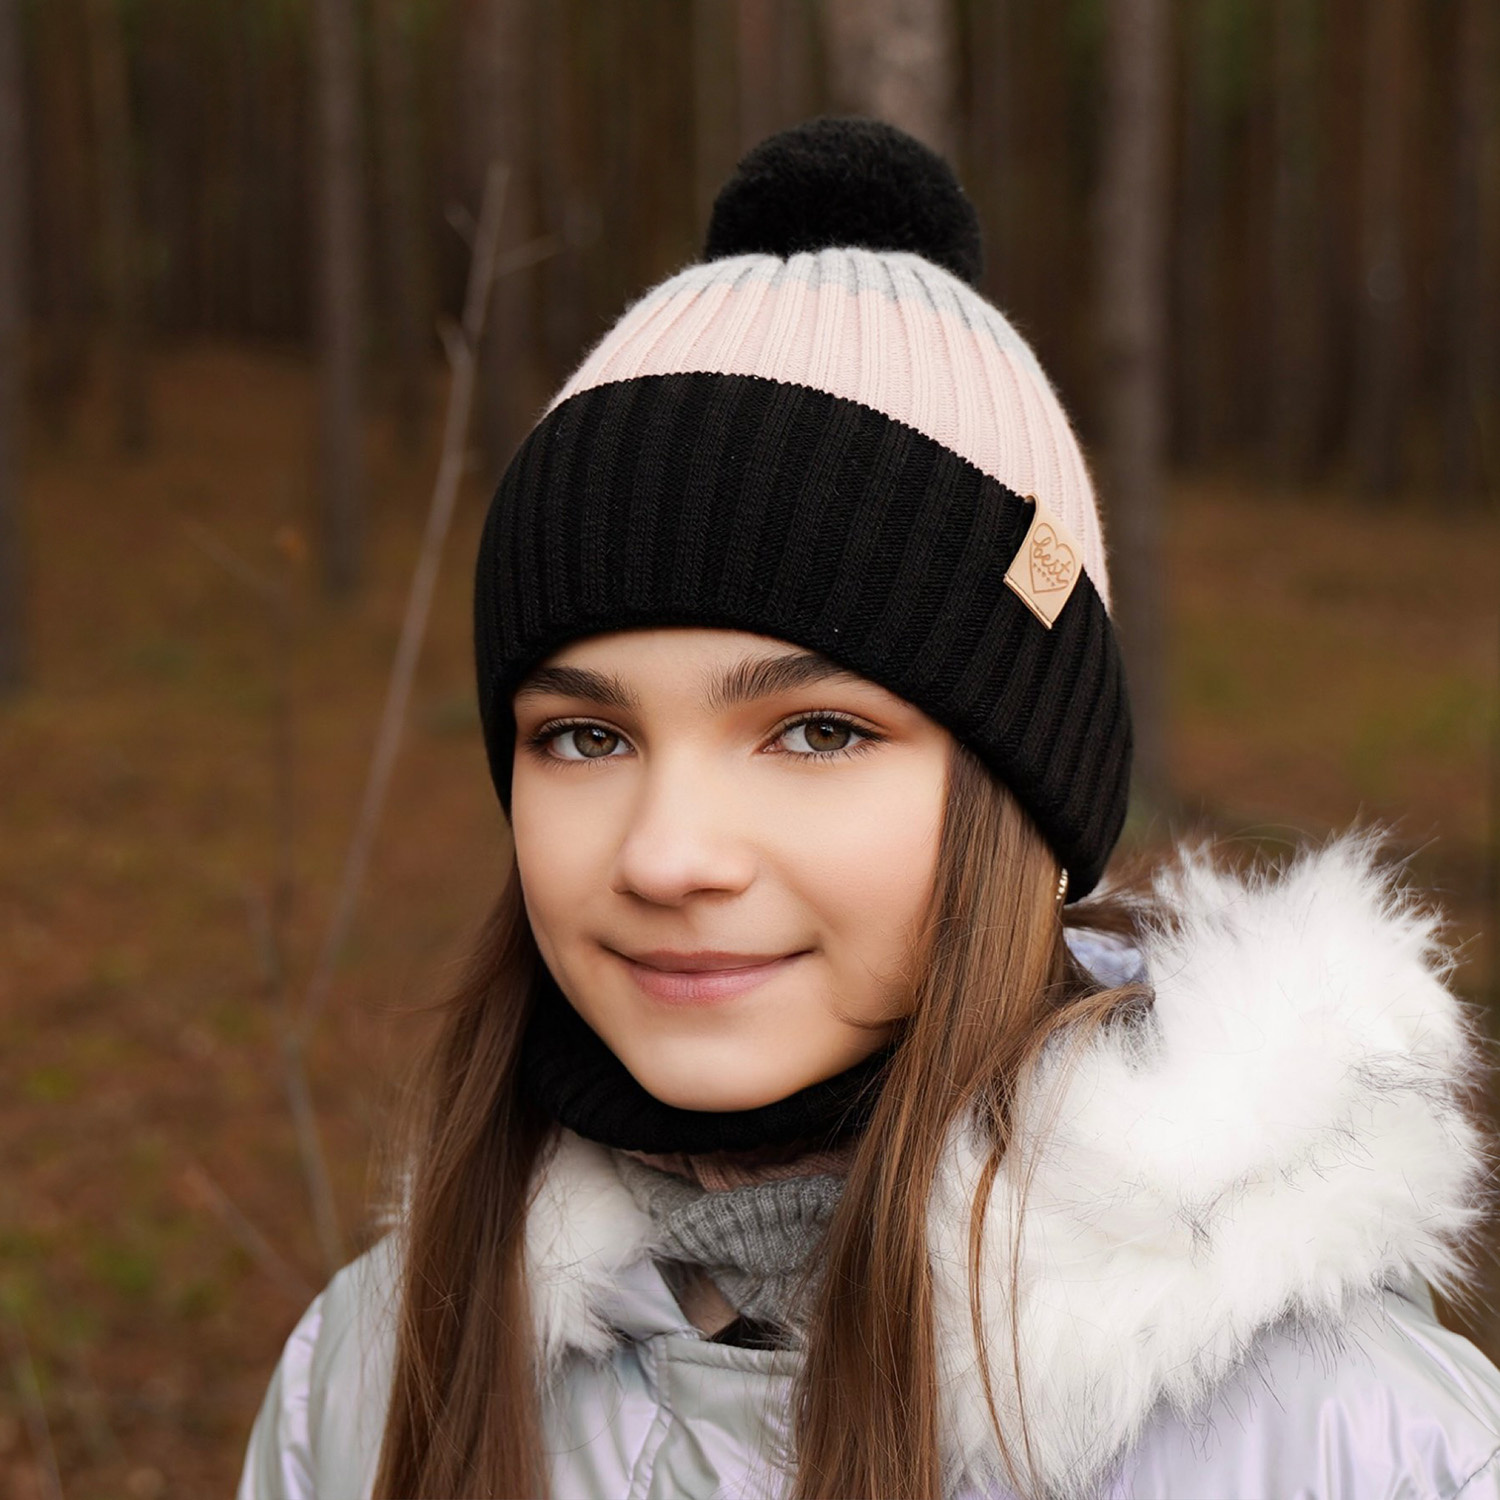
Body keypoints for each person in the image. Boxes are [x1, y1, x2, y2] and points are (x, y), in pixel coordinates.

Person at [237, 118, 1500, 1500]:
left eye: (818, 730)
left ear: (1021, 790)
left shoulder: (1347, 1444)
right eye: (586, 735)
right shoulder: (369, 1377)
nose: (667, 854)